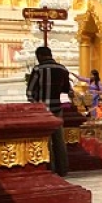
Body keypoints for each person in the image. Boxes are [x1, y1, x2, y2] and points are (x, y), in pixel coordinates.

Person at [26, 46, 74, 176]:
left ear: (40, 56)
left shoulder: (38, 70)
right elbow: (67, 90)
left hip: (42, 110)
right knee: (59, 139)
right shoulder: (62, 69)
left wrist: (36, 104)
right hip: (57, 109)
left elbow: (29, 92)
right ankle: (63, 169)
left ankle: (49, 168)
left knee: (45, 140)